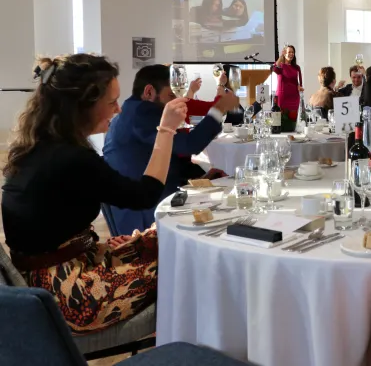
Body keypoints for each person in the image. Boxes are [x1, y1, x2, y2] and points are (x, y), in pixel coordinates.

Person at [1, 55, 187, 333]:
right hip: (69, 295)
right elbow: (145, 195)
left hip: (56, 272)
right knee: (186, 262)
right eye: (112, 102)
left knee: (165, 240)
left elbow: (50, 226)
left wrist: (88, 243)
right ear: (82, 106)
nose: (118, 110)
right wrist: (167, 129)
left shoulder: (40, 147)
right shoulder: (71, 158)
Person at [103, 64, 238, 235]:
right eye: (170, 95)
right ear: (149, 92)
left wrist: (198, 179)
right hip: (144, 215)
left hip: (149, 198)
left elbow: (166, 154)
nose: (174, 101)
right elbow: (189, 144)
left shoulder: (133, 110)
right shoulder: (142, 113)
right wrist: (219, 109)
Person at [271, 45, 303, 114]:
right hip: (282, 97)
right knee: (282, 119)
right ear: (285, 53)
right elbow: (273, 68)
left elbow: (300, 82)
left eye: (292, 52)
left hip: (294, 97)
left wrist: (300, 87)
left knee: (293, 120)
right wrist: (281, 56)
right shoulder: (280, 66)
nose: (291, 54)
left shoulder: (297, 67)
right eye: (289, 52)